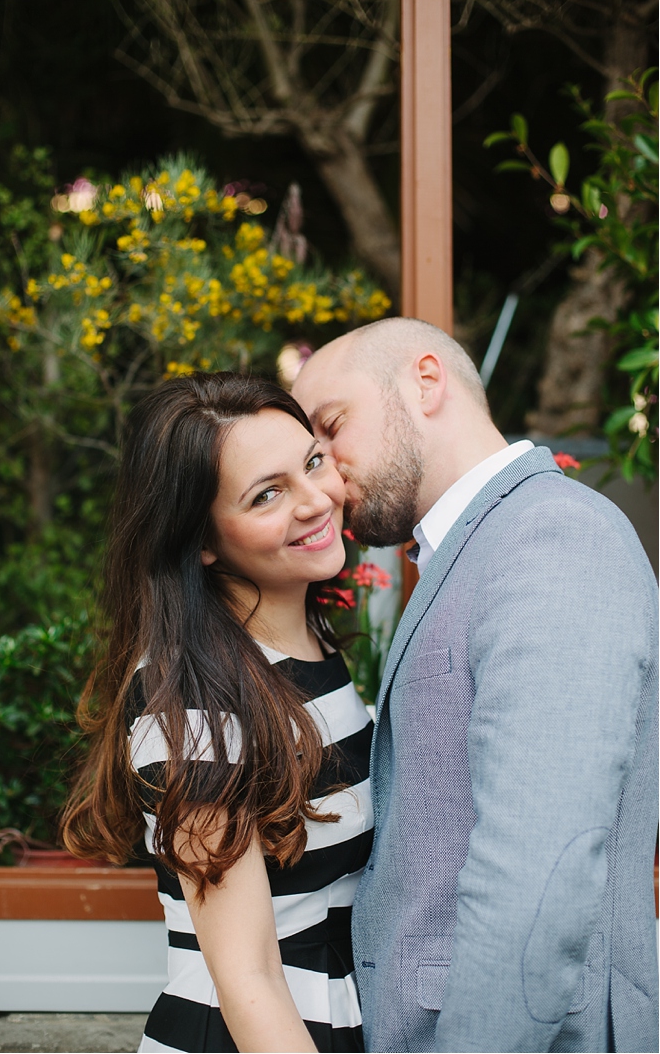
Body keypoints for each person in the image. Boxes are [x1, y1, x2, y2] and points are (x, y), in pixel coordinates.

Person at [292, 316, 658, 1054]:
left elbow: (537, 874)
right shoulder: (473, 549)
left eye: (331, 430)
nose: (325, 474)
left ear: (426, 382)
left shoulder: (554, 536)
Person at [61, 372, 373, 1054]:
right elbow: (248, 978)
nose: (316, 500)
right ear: (201, 541)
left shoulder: (304, 646)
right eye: (267, 494)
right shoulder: (195, 703)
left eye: (312, 462)